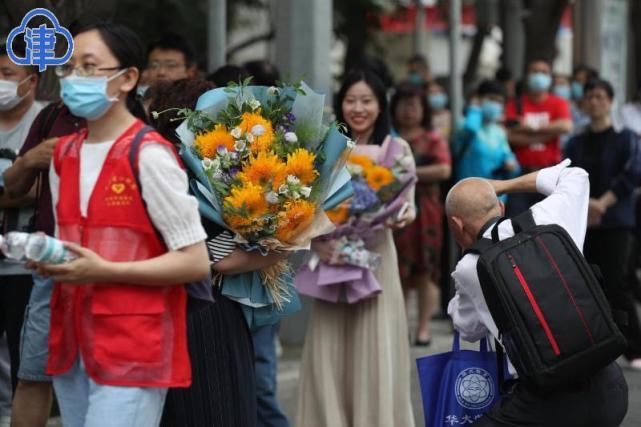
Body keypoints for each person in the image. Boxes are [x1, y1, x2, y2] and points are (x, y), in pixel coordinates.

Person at [31, 21, 209, 426]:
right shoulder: (65, 154)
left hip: (133, 344)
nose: (75, 79)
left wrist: (105, 270)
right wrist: (48, 257)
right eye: (69, 68)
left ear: (128, 78)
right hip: (72, 338)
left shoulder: (149, 155)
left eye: (90, 67)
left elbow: (195, 261)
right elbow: (70, 241)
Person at [445, 161, 628, 426]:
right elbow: (576, 174)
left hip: (545, 404)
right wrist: (502, 186)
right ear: (501, 207)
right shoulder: (550, 216)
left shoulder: (468, 268)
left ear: (457, 224)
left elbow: (467, 328)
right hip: (610, 386)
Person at [150, 77, 285, 427]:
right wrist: (273, 249)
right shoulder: (196, 174)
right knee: (218, 409)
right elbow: (218, 256)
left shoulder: (173, 167)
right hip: (206, 307)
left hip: (174, 305)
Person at [296, 69, 416, 427]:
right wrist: (317, 240)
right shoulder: (323, 147)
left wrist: (400, 217)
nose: (358, 108)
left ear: (381, 106)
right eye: (351, 100)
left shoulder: (398, 150)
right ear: (340, 103)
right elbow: (300, 204)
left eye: (367, 101)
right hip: (331, 257)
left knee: (374, 345)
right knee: (328, 348)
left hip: (376, 257)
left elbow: (406, 202)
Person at [564, 78, 641, 369]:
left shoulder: (626, 138)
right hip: (582, 220)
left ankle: (635, 347)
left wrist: (602, 203)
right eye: (589, 97)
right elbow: (568, 177)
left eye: (599, 96)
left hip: (616, 221)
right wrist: (586, 206)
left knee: (617, 282)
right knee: (586, 284)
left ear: (610, 101)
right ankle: (596, 347)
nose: (594, 102)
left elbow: (632, 174)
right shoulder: (576, 141)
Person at [0, 40, 42, 425]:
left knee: (24, 362)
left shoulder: (45, 122)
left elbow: (44, 187)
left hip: (25, 264)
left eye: (7, 75)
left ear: (31, 81)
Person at [390, 83, 450, 346]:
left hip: (427, 212)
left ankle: (423, 327)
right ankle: (400, 324)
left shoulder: (433, 138)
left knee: (426, 270)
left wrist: (407, 173)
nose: (408, 110)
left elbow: (444, 170)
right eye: (403, 104)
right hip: (392, 209)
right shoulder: (388, 138)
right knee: (398, 269)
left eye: (414, 104)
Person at [505, 59, 572, 215]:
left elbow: (565, 126)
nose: (539, 76)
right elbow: (510, 136)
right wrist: (547, 134)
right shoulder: (514, 104)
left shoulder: (558, 103)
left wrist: (529, 127)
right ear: (527, 76)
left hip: (550, 175)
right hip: (521, 175)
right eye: (535, 71)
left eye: (543, 72)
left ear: (550, 78)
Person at [452, 80, 520, 195]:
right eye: (491, 99)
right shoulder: (463, 124)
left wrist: (511, 166)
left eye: (499, 102)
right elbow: (471, 129)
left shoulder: (499, 132)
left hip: (494, 197)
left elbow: (512, 168)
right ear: (479, 99)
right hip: (467, 194)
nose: (495, 105)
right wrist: (474, 107)